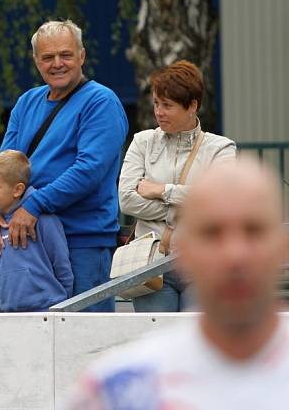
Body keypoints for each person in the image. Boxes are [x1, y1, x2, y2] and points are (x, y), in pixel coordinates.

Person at [64, 158, 289, 409]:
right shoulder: (116, 392)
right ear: (184, 252)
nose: (234, 255)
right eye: (212, 233)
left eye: (253, 231)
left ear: (282, 248)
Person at [0, 20, 128, 312]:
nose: (57, 63)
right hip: (27, 245)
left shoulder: (101, 102)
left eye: (66, 55)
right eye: (48, 57)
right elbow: (2, 168)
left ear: (82, 56)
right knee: (32, 346)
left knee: (85, 343)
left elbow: (89, 169)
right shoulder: (27, 102)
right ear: (36, 61)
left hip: (81, 242)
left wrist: (34, 205)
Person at [118, 60, 236, 312]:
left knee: (199, 347)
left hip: (205, 264)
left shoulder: (222, 148)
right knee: (158, 345)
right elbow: (127, 199)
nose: (158, 112)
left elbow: (222, 201)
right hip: (151, 265)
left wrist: (162, 191)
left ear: (193, 105)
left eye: (167, 105)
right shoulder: (142, 142)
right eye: (156, 103)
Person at [0, 150, 73, 312]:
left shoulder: (44, 220)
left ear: (17, 190)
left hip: (48, 310)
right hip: (9, 314)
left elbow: (61, 263)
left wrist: (62, 304)